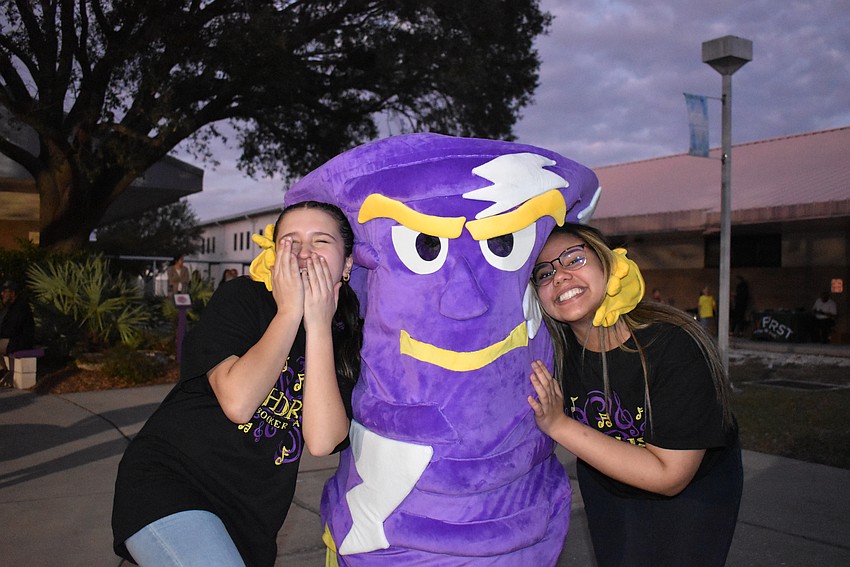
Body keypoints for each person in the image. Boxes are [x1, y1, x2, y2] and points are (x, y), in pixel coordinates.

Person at [112, 201, 363, 567]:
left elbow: (323, 440)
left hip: (252, 518)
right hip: (172, 483)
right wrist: (290, 312)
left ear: (347, 264)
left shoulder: (346, 335)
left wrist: (320, 327)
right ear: (276, 255)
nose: (304, 252)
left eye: (320, 241)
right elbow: (238, 402)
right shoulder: (243, 298)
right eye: (291, 241)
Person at [527, 223, 742, 567]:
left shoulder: (674, 344)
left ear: (609, 265)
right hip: (609, 486)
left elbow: (669, 477)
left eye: (574, 259)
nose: (560, 276)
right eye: (544, 272)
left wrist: (559, 425)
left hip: (691, 493)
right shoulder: (553, 352)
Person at [0, 280, 36, 384]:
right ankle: (3, 370)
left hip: (19, 342)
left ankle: (2, 370)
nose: (2, 294)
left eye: (5, 291)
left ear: (12, 293)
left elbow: (12, 329)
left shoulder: (21, 307)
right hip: (10, 340)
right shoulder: (9, 307)